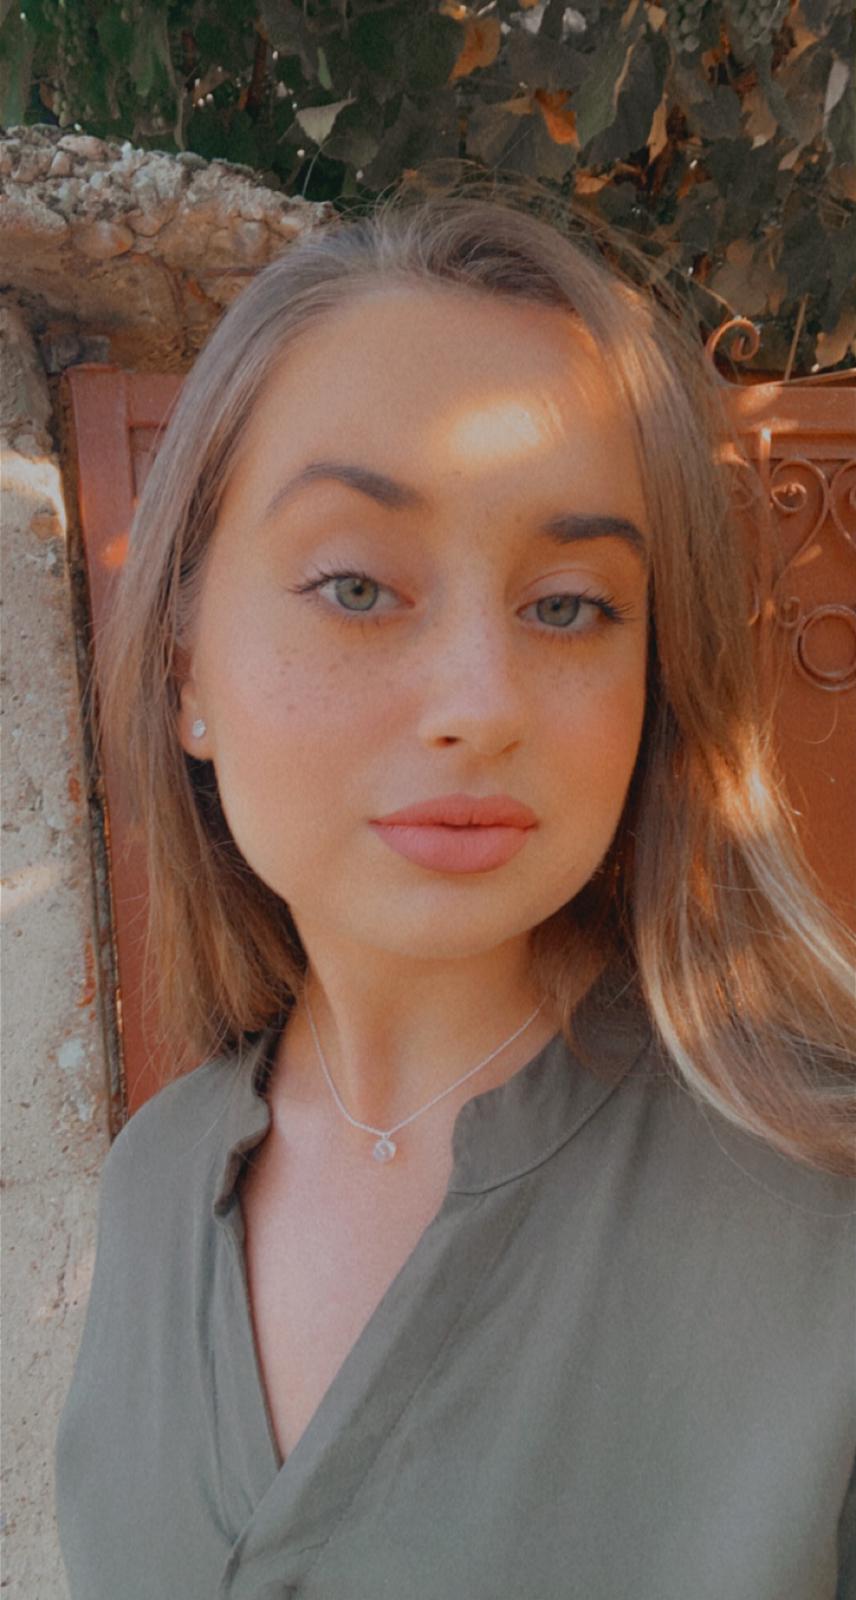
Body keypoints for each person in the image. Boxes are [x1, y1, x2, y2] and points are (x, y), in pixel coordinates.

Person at [55, 175, 856, 1600]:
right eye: (359, 587)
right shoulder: (154, 1186)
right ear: (184, 669)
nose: (482, 704)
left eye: (569, 605)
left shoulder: (821, 1213)